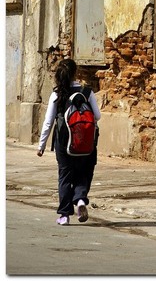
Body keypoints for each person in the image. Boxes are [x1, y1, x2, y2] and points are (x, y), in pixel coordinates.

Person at [37, 58, 101, 226]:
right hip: (86, 143)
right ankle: (80, 200)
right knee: (84, 172)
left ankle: (64, 215)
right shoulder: (87, 92)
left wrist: (41, 145)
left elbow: (48, 122)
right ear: (75, 73)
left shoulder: (57, 94)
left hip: (63, 142)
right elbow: (98, 116)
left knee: (65, 176)